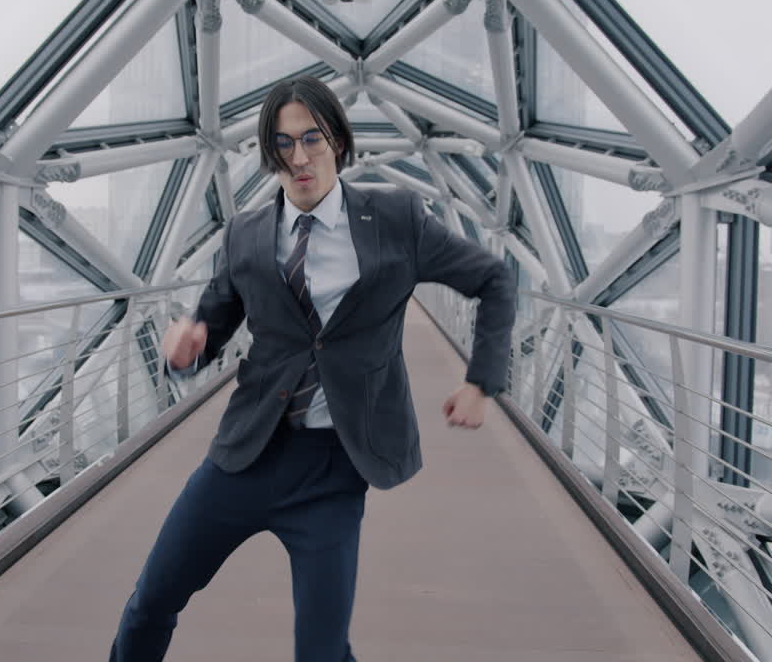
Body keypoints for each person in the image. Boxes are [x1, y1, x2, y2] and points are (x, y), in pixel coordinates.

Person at [108, 75, 516, 661]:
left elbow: (494, 280)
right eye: (282, 143)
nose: (298, 158)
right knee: (151, 601)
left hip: (334, 469)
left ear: (337, 142)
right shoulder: (245, 234)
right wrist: (184, 350)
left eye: (311, 139)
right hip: (246, 454)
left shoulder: (396, 218)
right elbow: (207, 329)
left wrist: (482, 381)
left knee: (321, 651)